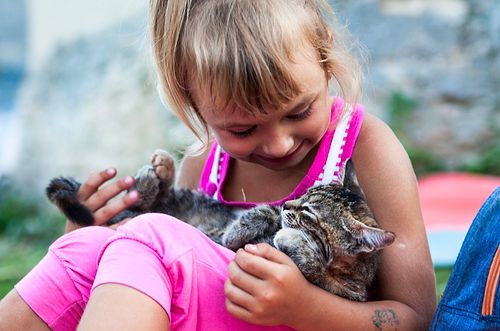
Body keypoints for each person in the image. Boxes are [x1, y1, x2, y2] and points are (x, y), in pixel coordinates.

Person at [0, 0, 436, 330]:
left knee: (153, 235)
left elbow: (415, 316)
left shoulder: (366, 148)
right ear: (193, 102)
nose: (280, 142)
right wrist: (94, 232)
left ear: (325, 60)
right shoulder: (204, 164)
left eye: (299, 111)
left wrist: (305, 306)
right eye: (243, 130)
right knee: (88, 248)